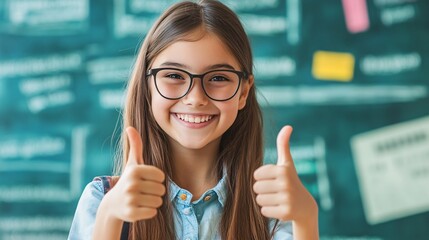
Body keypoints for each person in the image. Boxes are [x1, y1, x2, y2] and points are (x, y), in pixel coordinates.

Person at [68, 0, 319, 239]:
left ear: (243, 92)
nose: (195, 98)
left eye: (219, 78)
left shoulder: (274, 212)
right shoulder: (102, 200)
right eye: (175, 75)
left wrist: (307, 218)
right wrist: (109, 218)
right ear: (148, 87)